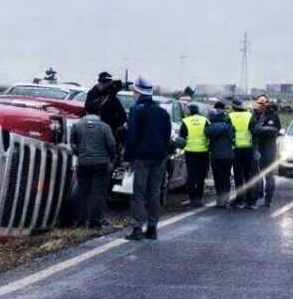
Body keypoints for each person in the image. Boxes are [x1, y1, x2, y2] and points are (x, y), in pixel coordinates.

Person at [123, 76, 172, 240]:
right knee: (154, 192)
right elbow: (167, 136)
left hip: (141, 157)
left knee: (138, 192)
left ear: (138, 92)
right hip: (159, 157)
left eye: (134, 91)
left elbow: (132, 136)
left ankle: (137, 228)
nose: (132, 95)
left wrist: (127, 156)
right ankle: (152, 228)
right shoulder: (162, 112)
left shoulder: (137, 110)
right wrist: (163, 153)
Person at [70, 100, 117, 229]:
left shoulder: (78, 125)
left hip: (83, 163)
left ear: (86, 111)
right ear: (99, 112)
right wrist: (111, 159)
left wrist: (79, 154)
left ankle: (80, 222)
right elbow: (112, 145)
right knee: (97, 193)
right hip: (101, 163)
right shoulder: (104, 127)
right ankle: (94, 222)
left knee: (82, 191)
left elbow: (73, 143)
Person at [251, 94, 282, 207]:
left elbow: (272, 130)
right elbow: (251, 129)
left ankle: (268, 197)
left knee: (268, 173)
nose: (257, 106)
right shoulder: (254, 115)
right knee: (256, 173)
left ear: (265, 105)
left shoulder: (272, 116)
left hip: (268, 146)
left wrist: (259, 129)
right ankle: (257, 195)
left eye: (259, 104)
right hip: (257, 146)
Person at [229, 98, 260, 209]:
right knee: (248, 175)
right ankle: (250, 201)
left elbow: (228, 133)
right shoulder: (249, 116)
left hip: (236, 149)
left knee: (238, 176)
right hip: (248, 149)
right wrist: (255, 149)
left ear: (233, 107)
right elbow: (255, 133)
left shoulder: (230, 116)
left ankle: (239, 200)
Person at [205, 101, 236, 208]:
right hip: (228, 155)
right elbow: (233, 137)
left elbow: (206, 133)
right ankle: (225, 199)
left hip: (216, 155)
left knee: (218, 178)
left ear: (216, 109)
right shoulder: (229, 123)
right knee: (226, 177)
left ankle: (220, 199)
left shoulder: (212, 122)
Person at [178, 103, 210, 206]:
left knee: (191, 175)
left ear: (190, 111)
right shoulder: (205, 120)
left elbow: (181, 137)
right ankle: (199, 198)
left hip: (190, 151)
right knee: (201, 175)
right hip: (203, 151)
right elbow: (209, 133)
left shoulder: (186, 121)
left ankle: (192, 199)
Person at [84, 72, 127, 139]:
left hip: (109, 131)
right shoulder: (93, 94)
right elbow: (89, 107)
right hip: (96, 130)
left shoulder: (112, 99)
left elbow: (122, 116)